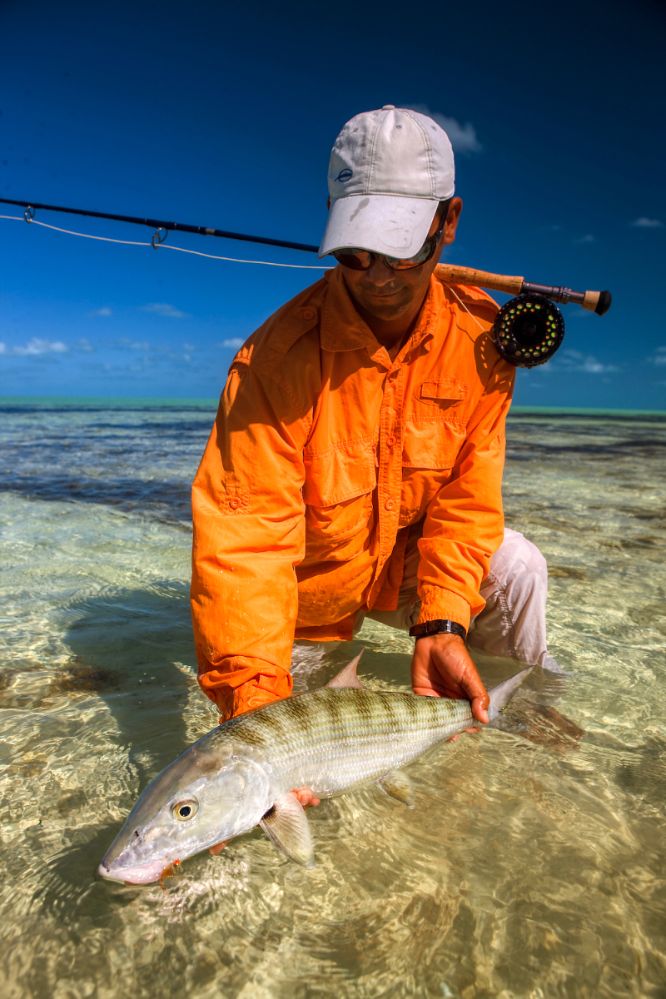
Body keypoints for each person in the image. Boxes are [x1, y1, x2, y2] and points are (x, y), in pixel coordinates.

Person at [190, 105, 551, 734]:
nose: (378, 278)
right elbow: (246, 541)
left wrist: (441, 620)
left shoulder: (484, 340)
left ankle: (513, 719)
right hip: (310, 596)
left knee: (518, 567)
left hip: (404, 572)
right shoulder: (272, 362)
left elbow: (467, 503)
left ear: (449, 222)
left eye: (403, 248)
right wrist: (254, 703)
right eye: (357, 252)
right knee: (268, 729)